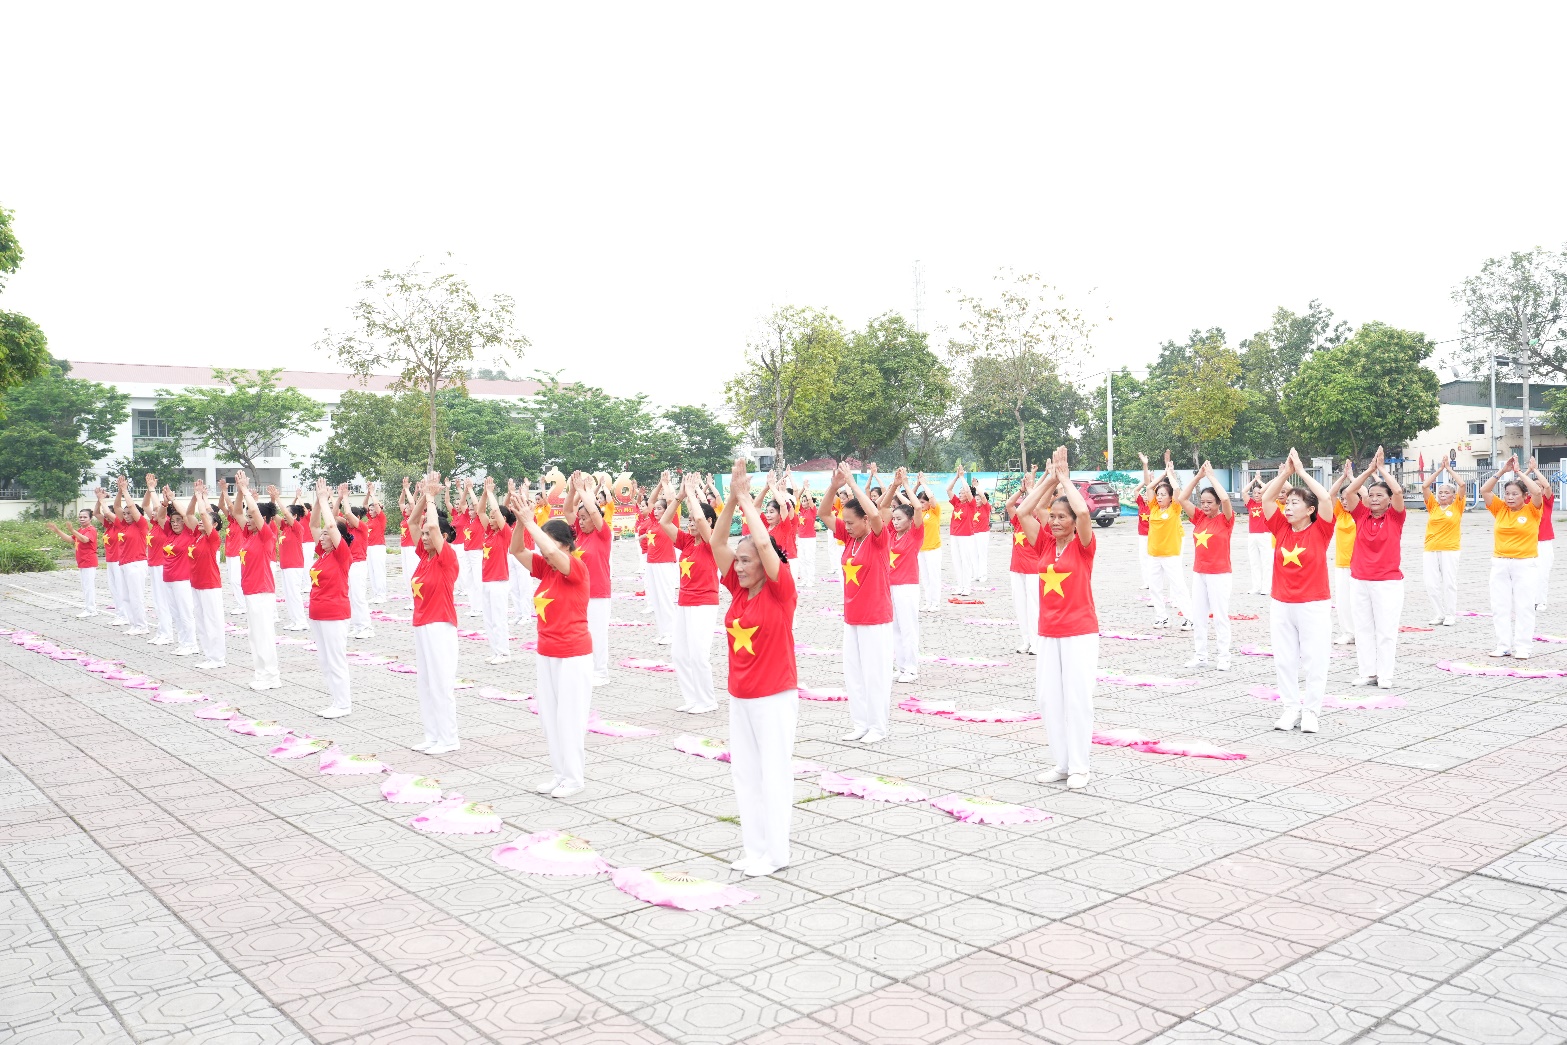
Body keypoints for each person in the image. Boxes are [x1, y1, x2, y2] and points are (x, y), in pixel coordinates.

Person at [711, 458, 799, 876]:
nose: (739, 566)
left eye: (746, 561)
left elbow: (765, 545)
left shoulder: (781, 591)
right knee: (746, 776)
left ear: (765, 565)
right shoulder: (738, 590)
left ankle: (777, 853)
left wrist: (748, 500)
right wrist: (731, 500)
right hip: (740, 696)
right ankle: (754, 848)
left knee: (773, 776)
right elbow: (716, 542)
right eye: (738, 562)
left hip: (774, 696)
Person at [1015, 446, 1099, 789]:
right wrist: (1050, 480)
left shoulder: (1083, 545)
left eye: (1060, 517)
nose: (1055, 521)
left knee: (1077, 698)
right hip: (1048, 631)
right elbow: (1023, 511)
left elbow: (1082, 513)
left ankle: (1081, 766)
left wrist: (1065, 479)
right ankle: (1062, 763)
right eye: (1052, 517)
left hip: (1079, 631)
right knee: (1049, 698)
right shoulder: (1045, 545)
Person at [508, 482, 593, 797]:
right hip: (548, 652)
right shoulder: (545, 570)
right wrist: (520, 522)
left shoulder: (576, 569)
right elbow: (517, 550)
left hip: (573, 654)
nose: (545, 549)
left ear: (564, 545)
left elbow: (547, 551)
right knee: (551, 719)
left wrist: (532, 522)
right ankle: (560, 773)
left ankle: (575, 778)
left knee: (569, 719)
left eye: (550, 544)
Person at [1258, 450, 1336, 733]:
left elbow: (1326, 498)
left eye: (1294, 503)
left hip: (1313, 604)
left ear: (1310, 509)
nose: (1287, 507)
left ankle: (1312, 711)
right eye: (1287, 502)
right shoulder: (1280, 528)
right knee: (1285, 658)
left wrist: (1302, 472)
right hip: (1281, 603)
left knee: (1315, 659)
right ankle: (1291, 708)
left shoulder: (1322, 530)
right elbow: (1266, 498)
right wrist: (1284, 474)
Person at [832, 462, 893, 744]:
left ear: (865, 521)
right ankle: (860, 723)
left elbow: (874, 512)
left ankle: (878, 727)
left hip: (876, 617)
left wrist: (855, 484)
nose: (846, 527)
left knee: (875, 674)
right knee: (854, 674)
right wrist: (836, 486)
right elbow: (822, 513)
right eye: (844, 522)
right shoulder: (849, 539)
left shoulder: (878, 539)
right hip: (852, 617)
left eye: (850, 522)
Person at [405, 473, 463, 754]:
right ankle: (432, 735)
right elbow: (412, 523)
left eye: (431, 534)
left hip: (440, 625)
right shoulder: (425, 558)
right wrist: (422, 498)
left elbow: (429, 524)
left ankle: (449, 739)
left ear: (443, 535)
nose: (425, 536)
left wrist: (430, 497)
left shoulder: (446, 557)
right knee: (426, 684)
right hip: (422, 625)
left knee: (441, 684)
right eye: (425, 534)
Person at [1341, 448, 1407, 688]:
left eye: (1380, 495)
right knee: (1363, 629)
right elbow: (1349, 491)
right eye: (1371, 495)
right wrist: (1369, 470)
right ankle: (1367, 672)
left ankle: (1385, 675)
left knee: (1386, 631)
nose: (1375, 498)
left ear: (1389, 499)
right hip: (1359, 579)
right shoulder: (1361, 515)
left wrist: (1382, 470)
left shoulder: (1395, 517)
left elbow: (1398, 489)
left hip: (1387, 582)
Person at [659, 473, 720, 713]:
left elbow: (700, 519)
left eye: (696, 521)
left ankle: (708, 700)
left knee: (698, 654)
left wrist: (694, 494)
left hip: (704, 602)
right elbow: (665, 523)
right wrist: (679, 497)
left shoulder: (711, 541)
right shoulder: (686, 542)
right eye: (690, 522)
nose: (691, 524)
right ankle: (692, 698)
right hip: (684, 602)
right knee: (680, 654)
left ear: (709, 523)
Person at [1480, 455, 1543, 660]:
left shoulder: (1532, 510)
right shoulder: (1500, 509)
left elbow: (1536, 491)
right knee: (1500, 606)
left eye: (1515, 494)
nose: (1509, 497)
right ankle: (1503, 645)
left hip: (1524, 564)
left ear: (1523, 496)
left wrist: (1518, 474)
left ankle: (1523, 647)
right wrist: (1502, 472)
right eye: (1507, 493)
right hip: (1500, 563)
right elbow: (1485, 491)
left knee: (1524, 606)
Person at [1177, 462, 1235, 671]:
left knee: (1220, 617)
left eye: (1210, 502)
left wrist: (1211, 477)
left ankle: (1224, 657)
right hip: (1199, 573)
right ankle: (1200, 656)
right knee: (1199, 616)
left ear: (1217, 503)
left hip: (1219, 574)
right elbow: (1182, 498)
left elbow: (1227, 498)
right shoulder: (1199, 518)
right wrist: (1198, 476)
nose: (1205, 506)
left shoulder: (1226, 520)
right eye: (1203, 502)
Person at [231, 472, 282, 692]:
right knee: (255, 635)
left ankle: (272, 676)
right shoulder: (249, 535)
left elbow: (253, 510)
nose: (248, 520)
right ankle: (261, 674)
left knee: (264, 634)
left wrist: (244, 489)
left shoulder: (266, 535)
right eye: (248, 518)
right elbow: (237, 512)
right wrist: (239, 495)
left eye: (252, 518)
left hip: (262, 591)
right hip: (250, 592)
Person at [309, 479, 355, 719]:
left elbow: (329, 524)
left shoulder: (341, 555)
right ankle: (336, 701)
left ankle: (344, 704)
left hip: (334, 613)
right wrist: (318, 501)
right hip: (318, 614)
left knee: (336, 660)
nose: (323, 536)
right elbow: (314, 523)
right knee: (325, 661)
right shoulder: (323, 554)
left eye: (328, 535)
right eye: (323, 535)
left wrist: (326, 501)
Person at [567, 472, 614, 686]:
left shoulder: (603, 534)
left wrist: (585, 491)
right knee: (581, 631)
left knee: (597, 632)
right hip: (578, 592)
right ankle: (586, 667)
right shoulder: (579, 534)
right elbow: (567, 510)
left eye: (585, 519)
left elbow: (594, 511)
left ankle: (601, 672)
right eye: (581, 519)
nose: (582, 522)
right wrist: (571, 490)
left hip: (598, 592)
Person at [1142, 452, 1194, 631]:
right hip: (1154, 555)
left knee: (1178, 586)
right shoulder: (1154, 508)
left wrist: (1170, 474)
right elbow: (1149, 488)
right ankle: (1161, 617)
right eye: (1159, 495)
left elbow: (1178, 491)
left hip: (1171, 554)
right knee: (1155, 588)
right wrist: (1162, 476)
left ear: (1170, 497)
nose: (1159, 497)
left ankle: (1190, 617)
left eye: (1163, 494)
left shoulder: (1175, 509)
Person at [884, 470, 923, 683]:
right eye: (895, 519)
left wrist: (906, 484)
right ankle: (900, 666)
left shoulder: (915, 534)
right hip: (890, 585)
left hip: (907, 586)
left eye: (900, 519)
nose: (896, 522)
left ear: (910, 521)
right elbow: (882, 508)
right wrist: (894, 485)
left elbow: (917, 507)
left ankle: (911, 668)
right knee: (895, 628)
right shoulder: (891, 533)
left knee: (908, 628)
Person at [156, 486, 200, 657]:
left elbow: (188, 515)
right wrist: (165, 503)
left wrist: (174, 499)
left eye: (178, 521)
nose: (174, 524)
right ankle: (183, 643)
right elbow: (160, 516)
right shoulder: (169, 533)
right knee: (175, 613)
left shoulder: (190, 533)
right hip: (168, 579)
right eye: (172, 521)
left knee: (185, 612)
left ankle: (192, 644)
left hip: (183, 579)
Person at [1421, 458, 1464, 626]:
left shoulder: (1457, 507)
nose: (1442, 495)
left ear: (1453, 496)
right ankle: (1439, 614)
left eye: (1446, 493)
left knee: (1449, 582)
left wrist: (1449, 470)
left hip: (1450, 549)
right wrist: (1439, 471)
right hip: (1431, 548)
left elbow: (1462, 486)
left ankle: (1450, 614)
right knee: (1431, 584)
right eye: (1440, 493)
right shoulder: (1433, 506)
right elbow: (1425, 487)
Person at [189, 481, 227, 669]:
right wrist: (201, 497)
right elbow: (195, 514)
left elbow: (203, 513)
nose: (202, 522)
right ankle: (209, 655)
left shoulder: (213, 538)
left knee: (213, 621)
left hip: (210, 584)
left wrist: (200, 496)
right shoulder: (198, 536)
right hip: (196, 584)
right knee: (202, 622)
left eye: (207, 522)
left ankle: (218, 658)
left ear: (215, 525)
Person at [478, 477, 515, 665]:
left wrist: (492, 494)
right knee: (489, 619)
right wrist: (485, 492)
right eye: (491, 517)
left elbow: (499, 516)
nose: (491, 519)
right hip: (486, 581)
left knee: (499, 619)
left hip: (499, 581)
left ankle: (504, 652)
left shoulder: (504, 533)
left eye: (494, 517)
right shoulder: (489, 533)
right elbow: (479, 511)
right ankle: (495, 651)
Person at [1005, 470, 1042, 655]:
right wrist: (1021, 490)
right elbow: (1009, 504)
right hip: (1016, 568)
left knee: (1034, 606)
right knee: (1020, 605)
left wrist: (1031, 488)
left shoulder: (1040, 522)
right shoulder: (1018, 521)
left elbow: (1038, 507)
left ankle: (1037, 642)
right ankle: (1026, 640)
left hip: (1034, 569)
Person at [643, 475, 679, 645]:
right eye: (655, 509)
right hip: (651, 564)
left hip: (665, 563)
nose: (655, 511)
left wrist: (667, 484)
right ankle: (663, 632)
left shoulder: (670, 521)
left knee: (665, 598)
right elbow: (650, 501)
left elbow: (672, 499)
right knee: (656, 599)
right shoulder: (652, 522)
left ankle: (672, 632)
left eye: (659, 509)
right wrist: (658, 485)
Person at [113, 476, 150, 636]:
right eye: (125, 513)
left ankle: (142, 625)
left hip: (136, 563)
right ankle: (134, 624)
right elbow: (116, 506)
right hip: (124, 563)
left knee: (136, 596)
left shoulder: (141, 525)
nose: (126, 515)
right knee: (126, 596)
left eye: (129, 513)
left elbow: (131, 506)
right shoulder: (123, 526)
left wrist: (126, 491)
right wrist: (120, 491)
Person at [47, 506, 99, 618]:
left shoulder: (91, 530)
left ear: (90, 518)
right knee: (85, 586)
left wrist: (72, 530)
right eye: (80, 517)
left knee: (88, 586)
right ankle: (88, 608)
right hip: (82, 562)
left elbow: (85, 539)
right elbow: (71, 540)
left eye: (85, 517)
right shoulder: (81, 530)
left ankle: (91, 610)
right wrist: (57, 530)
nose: (82, 519)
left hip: (89, 561)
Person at [142, 477, 175, 647]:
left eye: (158, 511)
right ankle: (162, 631)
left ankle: (167, 634)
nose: (153, 512)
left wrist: (155, 492)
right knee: (156, 600)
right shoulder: (154, 524)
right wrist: (149, 489)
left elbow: (156, 507)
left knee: (163, 600)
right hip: (154, 565)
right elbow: (146, 505)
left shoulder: (166, 523)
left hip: (162, 565)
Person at [1328, 462, 1358, 645]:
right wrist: (1343, 476)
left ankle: (1363, 632)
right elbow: (1330, 495)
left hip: (1360, 564)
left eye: (1349, 498)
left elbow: (1363, 494)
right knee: (1343, 601)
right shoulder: (1340, 514)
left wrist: (1354, 479)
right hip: (1342, 563)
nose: (1345, 501)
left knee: (1359, 602)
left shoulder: (1362, 513)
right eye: (1343, 498)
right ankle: (1348, 632)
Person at [339, 488, 375, 641]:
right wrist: (339, 498)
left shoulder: (362, 527)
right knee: (351, 597)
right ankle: (357, 626)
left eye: (350, 518)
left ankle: (367, 627)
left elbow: (347, 514)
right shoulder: (347, 528)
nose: (347, 521)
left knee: (359, 597)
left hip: (359, 565)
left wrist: (346, 497)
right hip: (349, 565)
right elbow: (336, 515)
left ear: (357, 517)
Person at [273, 489, 310, 632]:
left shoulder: (297, 527)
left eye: (288, 514)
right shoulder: (285, 527)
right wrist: (272, 499)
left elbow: (285, 513)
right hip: (285, 565)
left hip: (294, 565)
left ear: (294, 516)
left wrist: (278, 499)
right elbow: (274, 515)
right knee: (288, 595)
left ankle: (301, 621)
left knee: (294, 594)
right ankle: (294, 620)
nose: (284, 516)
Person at [1527, 459, 1556, 612]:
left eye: (1539, 487)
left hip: (1544, 542)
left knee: (1542, 572)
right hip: (1526, 542)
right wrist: (1524, 472)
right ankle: (1529, 600)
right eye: (1534, 486)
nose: (1538, 489)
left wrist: (1535, 470)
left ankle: (1541, 601)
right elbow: (1517, 484)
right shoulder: (1525, 501)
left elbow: (1547, 486)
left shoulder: (1547, 501)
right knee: (1526, 573)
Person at [217, 482, 247, 616]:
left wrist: (225, 490)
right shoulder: (231, 521)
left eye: (234, 509)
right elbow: (221, 506)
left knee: (236, 580)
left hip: (237, 554)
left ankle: (243, 605)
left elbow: (229, 506)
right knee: (232, 580)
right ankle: (241, 603)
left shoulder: (242, 521)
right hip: (230, 555)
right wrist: (222, 493)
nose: (230, 511)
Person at [97, 488, 126, 625]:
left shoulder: (120, 525)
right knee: (113, 589)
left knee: (121, 589)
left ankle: (124, 615)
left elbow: (107, 511)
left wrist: (103, 500)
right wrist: (99, 499)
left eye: (108, 515)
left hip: (119, 561)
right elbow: (97, 513)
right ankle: (120, 614)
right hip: (110, 561)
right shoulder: (109, 527)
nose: (106, 516)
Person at [946, 469, 975, 597]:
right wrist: (957, 477)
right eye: (960, 492)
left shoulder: (971, 504)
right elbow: (948, 489)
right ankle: (959, 586)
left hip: (966, 536)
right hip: (954, 535)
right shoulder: (957, 503)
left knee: (965, 561)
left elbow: (968, 491)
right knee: (957, 561)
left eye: (962, 492)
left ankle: (967, 587)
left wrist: (963, 478)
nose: (961, 494)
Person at [915, 484, 944, 611]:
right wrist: (916, 485)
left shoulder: (934, 511)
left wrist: (923, 483)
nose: (920, 504)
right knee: (925, 577)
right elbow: (909, 499)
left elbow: (932, 497)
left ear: (928, 502)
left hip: (933, 549)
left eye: (923, 502)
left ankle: (936, 603)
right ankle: (928, 601)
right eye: (919, 502)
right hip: (921, 549)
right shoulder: (917, 512)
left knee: (934, 576)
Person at [1243, 478, 1273, 596]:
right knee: (1254, 562)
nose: (1256, 495)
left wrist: (1260, 482)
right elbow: (1244, 492)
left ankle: (1266, 588)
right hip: (1252, 535)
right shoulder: (1251, 504)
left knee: (1266, 562)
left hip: (1265, 535)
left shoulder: (1266, 502)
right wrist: (1254, 480)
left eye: (1259, 493)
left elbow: (1269, 489)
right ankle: (1256, 587)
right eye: (1254, 493)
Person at [365, 492, 389, 604]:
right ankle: (376, 594)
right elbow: (364, 504)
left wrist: (373, 493)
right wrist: (368, 493)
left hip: (378, 547)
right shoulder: (369, 520)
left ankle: (382, 595)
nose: (370, 511)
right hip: (369, 547)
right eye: (370, 510)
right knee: (372, 571)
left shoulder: (381, 519)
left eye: (373, 509)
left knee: (379, 571)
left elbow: (376, 505)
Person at [1133, 464, 1154, 590]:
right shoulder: (1141, 503)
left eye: (1148, 494)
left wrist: (1151, 482)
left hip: (1153, 535)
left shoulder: (1154, 505)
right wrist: (1145, 482)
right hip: (1142, 535)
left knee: (1152, 559)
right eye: (1145, 494)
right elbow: (1136, 490)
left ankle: (1153, 581)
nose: (1146, 496)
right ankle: (1146, 582)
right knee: (1144, 559)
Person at [794, 480, 818, 588]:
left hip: (810, 539)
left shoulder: (812, 511)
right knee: (802, 559)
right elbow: (796, 498)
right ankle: (804, 579)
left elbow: (809, 498)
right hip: (801, 538)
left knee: (809, 559)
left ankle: (811, 580)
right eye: (802, 501)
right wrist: (803, 488)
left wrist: (807, 489)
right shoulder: (801, 511)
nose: (803, 502)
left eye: (805, 501)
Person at [398, 478, 418, 600]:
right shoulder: (405, 518)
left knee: (412, 572)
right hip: (404, 547)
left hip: (412, 547)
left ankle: (416, 598)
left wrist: (408, 489)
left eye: (407, 508)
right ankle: (411, 598)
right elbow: (401, 502)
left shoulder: (415, 518)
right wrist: (404, 490)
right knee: (406, 574)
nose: (404, 508)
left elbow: (412, 504)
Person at [973, 490, 993, 584]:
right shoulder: (973, 508)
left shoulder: (986, 507)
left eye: (978, 499)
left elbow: (984, 498)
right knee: (974, 554)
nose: (976, 501)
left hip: (983, 533)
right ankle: (976, 574)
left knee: (982, 554)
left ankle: (983, 575)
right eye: (975, 499)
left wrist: (977, 487)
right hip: (973, 534)